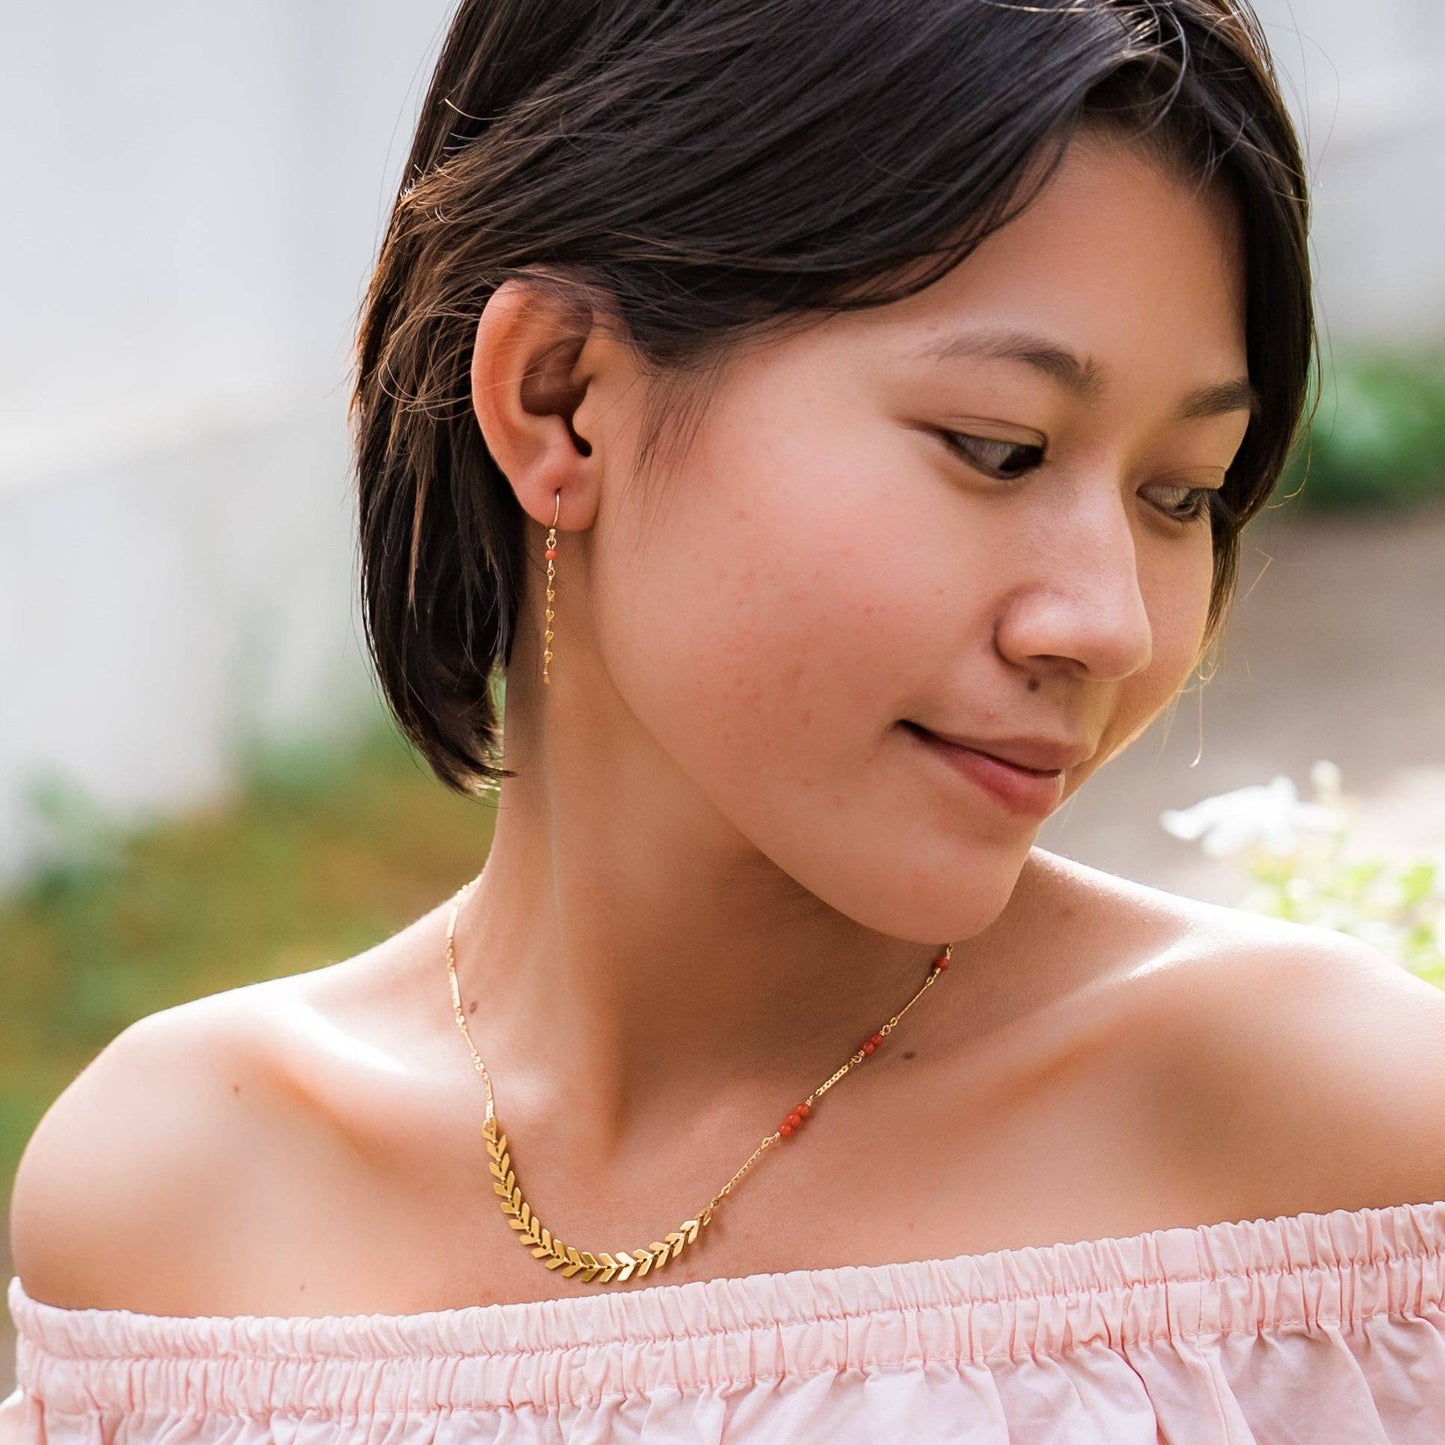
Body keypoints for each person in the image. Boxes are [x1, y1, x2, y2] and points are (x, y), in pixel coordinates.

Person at [6, 0, 1444, 1438]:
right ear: (561, 402)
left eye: (1177, 492)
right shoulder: (176, 1215)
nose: (1109, 622)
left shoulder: (1336, 1145)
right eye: (996, 449)